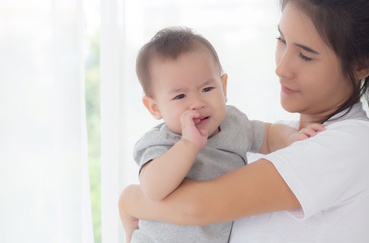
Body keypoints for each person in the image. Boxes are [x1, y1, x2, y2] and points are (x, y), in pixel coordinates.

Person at [120, 0, 369, 241]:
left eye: (305, 56)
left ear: (361, 66)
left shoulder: (354, 144)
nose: (281, 68)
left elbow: (198, 207)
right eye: (281, 40)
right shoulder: (291, 136)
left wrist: (129, 199)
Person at [131, 27, 326, 242]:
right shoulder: (162, 141)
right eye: (180, 96)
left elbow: (268, 134)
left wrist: (291, 138)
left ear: (223, 88)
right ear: (154, 108)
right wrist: (188, 144)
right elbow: (152, 189)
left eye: (207, 89)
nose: (197, 103)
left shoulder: (234, 124)